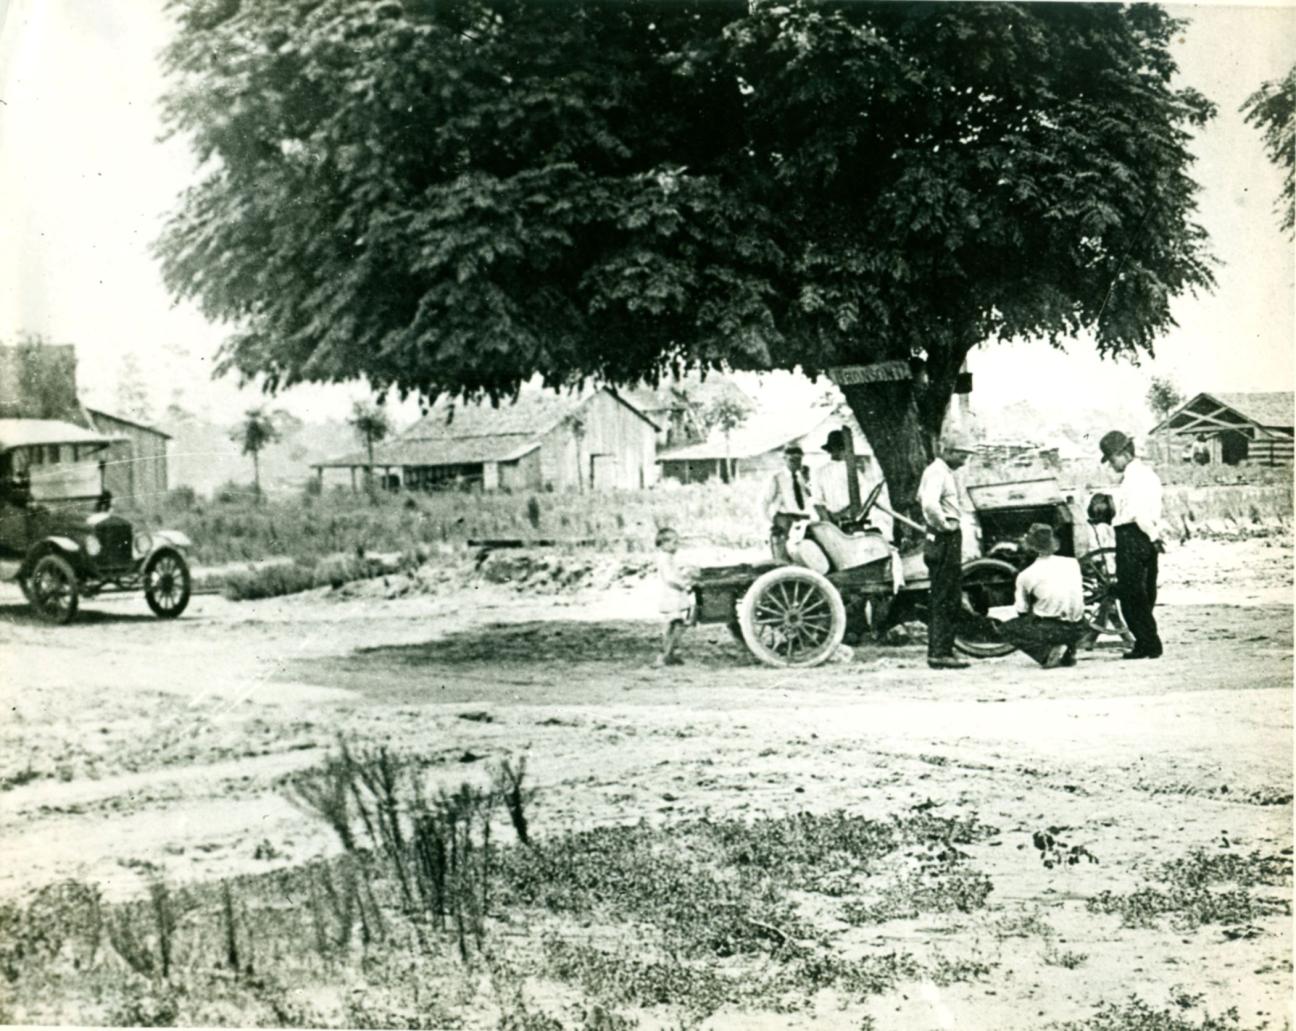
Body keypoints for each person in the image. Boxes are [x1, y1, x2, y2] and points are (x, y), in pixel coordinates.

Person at [1099, 430, 1164, 660]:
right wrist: (1154, 537)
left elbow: (1137, 513)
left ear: (1123, 453)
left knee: (1131, 596)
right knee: (1146, 594)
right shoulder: (1148, 475)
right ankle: (1146, 643)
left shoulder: (1134, 479)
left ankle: (1150, 645)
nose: (1111, 464)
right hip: (1146, 537)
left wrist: (1152, 534)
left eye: (1112, 458)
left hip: (1133, 536)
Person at [918, 428, 977, 670]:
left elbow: (919, 497)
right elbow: (929, 503)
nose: (964, 461)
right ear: (949, 451)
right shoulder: (938, 473)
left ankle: (944, 648)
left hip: (941, 536)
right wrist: (944, 525)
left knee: (947, 594)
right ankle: (940, 653)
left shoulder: (939, 471)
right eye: (962, 456)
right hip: (944, 537)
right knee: (945, 596)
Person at [999, 524, 1086, 668]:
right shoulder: (1072, 563)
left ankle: (1047, 654)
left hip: (1053, 628)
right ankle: (1069, 651)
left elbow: (1021, 610)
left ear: (1031, 547)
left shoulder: (1025, 575)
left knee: (1006, 629)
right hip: (1080, 627)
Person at [811, 429, 894, 539]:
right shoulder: (820, 472)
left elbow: (865, 498)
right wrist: (830, 524)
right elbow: (818, 503)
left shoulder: (854, 471)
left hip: (855, 517)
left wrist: (853, 511)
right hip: (834, 520)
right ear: (831, 450)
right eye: (837, 448)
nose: (840, 451)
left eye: (842, 448)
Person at [1079, 492, 1136, 650]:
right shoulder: (1108, 529)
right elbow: (1110, 553)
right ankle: (1120, 637)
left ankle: (1092, 638)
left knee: (1108, 602)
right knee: (1108, 603)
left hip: (1099, 569)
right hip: (1108, 570)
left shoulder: (1089, 528)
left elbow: (1096, 553)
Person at [760, 442, 815, 561]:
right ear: (784, 459)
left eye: (798, 459)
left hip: (804, 521)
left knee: (806, 557)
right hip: (784, 521)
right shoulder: (777, 478)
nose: (796, 463)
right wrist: (770, 524)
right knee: (782, 559)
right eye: (792, 460)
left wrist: (807, 481)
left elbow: (813, 498)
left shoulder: (805, 477)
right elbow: (764, 503)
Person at [653, 527, 695, 667]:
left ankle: (670, 654)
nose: (676, 546)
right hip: (671, 596)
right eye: (673, 543)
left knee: (675, 625)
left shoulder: (667, 557)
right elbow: (670, 578)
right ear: (663, 544)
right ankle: (665, 655)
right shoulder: (665, 558)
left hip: (673, 595)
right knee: (674, 625)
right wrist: (684, 583)